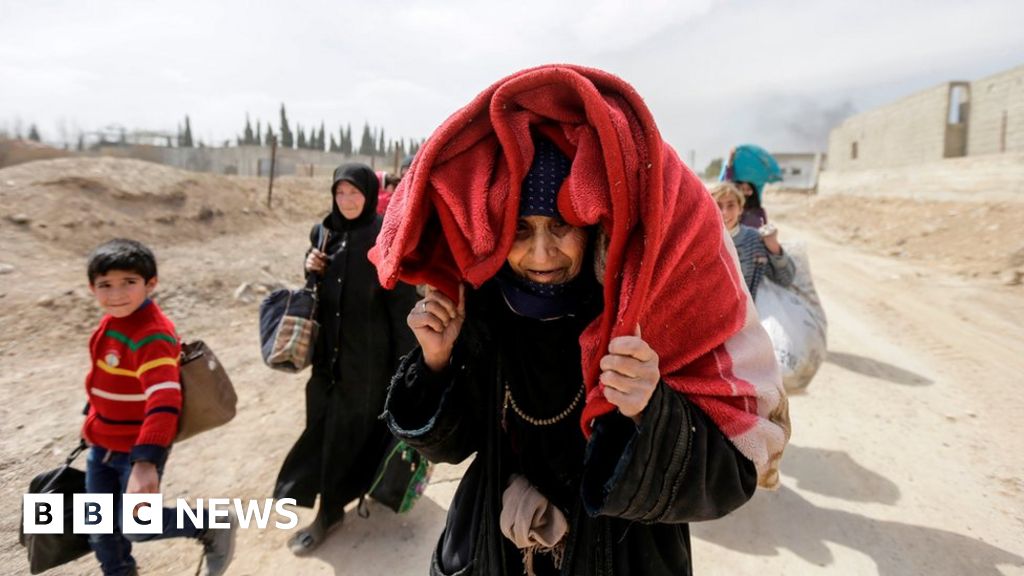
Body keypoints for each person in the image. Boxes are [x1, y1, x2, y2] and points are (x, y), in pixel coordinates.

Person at [375, 67, 789, 572]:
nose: (541, 252)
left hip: (622, 553)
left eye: (561, 225)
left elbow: (726, 480)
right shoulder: (483, 306)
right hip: (493, 542)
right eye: (522, 229)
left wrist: (649, 410)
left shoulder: (647, 316)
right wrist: (436, 362)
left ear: (593, 224)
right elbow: (450, 448)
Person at [273, 162, 419, 555]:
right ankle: (338, 497)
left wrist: (408, 367)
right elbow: (315, 293)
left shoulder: (384, 237)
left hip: (367, 364)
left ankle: (328, 514)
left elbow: (403, 304)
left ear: (370, 194)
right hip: (327, 360)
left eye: (354, 192)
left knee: (344, 436)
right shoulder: (324, 234)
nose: (347, 200)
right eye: (340, 192)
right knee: (321, 428)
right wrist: (310, 269)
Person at [82, 238, 235, 576]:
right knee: (100, 527)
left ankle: (210, 524)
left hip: (137, 451)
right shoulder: (111, 324)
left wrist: (145, 463)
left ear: (151, 284)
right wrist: (91, 421)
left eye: (129, 283)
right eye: (105, 285)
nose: (116, 294)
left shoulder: (151, 335)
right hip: (101, 447)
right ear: (92, 288)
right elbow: (108, 381)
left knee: (136, 525)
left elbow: (164, 400)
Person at [711, 181, 795, 300]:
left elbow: (786, 279)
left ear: (740, 209)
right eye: (718, 206)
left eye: (731, 205)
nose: (724, 212)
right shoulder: (701, 241)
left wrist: (774, 248)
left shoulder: (754, 239)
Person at [720, 144, 783, 227]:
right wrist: (730, 162)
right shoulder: (736, 211)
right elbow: (727, 184)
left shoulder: (759, 211)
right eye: (742, 189)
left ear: (753, 192)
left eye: (748, 189)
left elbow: (764, 230)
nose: (745, 192)